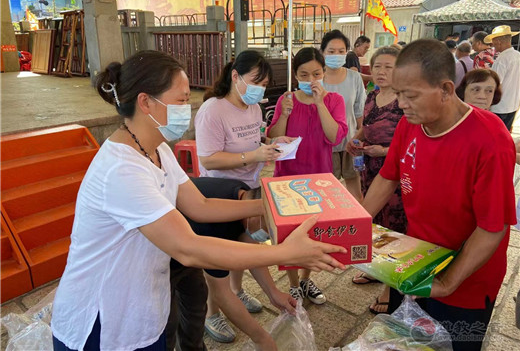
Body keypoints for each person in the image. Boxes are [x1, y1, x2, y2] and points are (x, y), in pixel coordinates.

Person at [50, 50, 347, 351]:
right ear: (145, 102)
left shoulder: (158, 149)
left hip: (140, 308)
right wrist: (284, 252)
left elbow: (200, 206)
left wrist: (270, 206)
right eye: (180, 100)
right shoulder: (122, 169)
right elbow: (189, 248)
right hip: (101, 322)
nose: (188, 108)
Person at [363, 39, 516, 351]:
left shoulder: (489, 140)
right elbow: (387, 177)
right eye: (398, 93)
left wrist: (447, 284)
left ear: (446, 90)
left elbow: (492, 228)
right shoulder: (411, 124)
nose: (401, 103)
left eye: (410, 95)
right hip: (412, 262)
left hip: (466, 283)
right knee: (403, 343)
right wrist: (354, 228)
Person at [193, 50, 293, 344]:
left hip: (247, 187)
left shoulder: (253, 108)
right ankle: (212, 313)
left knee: (244, 245)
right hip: (220, 195)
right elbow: (208, 160)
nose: (260, 89)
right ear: (235, 77)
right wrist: (254, 154)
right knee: (219, 259)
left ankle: (237, 294)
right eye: (255, 81)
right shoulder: (213, 110)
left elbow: (253, 140)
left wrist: (273, 142)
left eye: (264, 83)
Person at [268, 47, 348, 305]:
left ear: (324, 73)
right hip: (287, 178)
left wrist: (320, 103)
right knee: (290, 235)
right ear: (295, 75)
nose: (310, 80)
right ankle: (293, 285)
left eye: (316, 73)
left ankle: (306, 279)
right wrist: (286, 113)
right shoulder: (286, 99)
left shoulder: (334, 100)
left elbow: (335, 136)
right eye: (304, 74)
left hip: (319, 178)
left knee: (314, 234)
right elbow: (274, 135)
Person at [347, 46, 407, 315]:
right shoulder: (372, 95)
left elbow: (412, 140)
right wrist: (356, 139)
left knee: (394, 227)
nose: (382, 72)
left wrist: (385, 151)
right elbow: (366, 125)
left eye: (389, 67)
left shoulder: (406, 100)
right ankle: (376, 270)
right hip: (368, 169)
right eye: (378, 66)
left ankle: (389, 287)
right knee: (374, 222)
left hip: (394, 174)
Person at [321, 29, 366, 201]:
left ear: (347, 52)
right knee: (325, 188)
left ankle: (359, 221)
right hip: (324, 145)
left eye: (341, 51)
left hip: (350, 141)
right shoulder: (318, 79)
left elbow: (359, 111)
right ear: (322, 52)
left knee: (354, 187)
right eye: (331, 51)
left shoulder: (354, 77)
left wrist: (359, 138)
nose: (336, 55)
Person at [485, 25, 520, 131]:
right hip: (513, 104)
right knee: (505, 134)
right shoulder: (518, 55)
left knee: (495, 135)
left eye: (493, 42)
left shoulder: (502, 59)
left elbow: (494, 83)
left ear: (498, 42)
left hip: (499, 106)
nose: (493, 45)